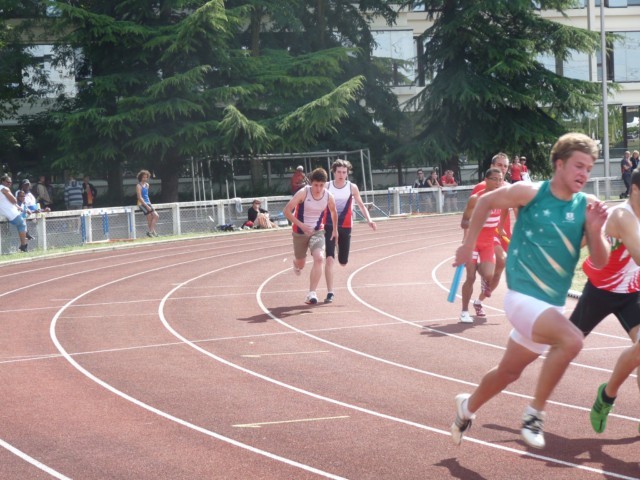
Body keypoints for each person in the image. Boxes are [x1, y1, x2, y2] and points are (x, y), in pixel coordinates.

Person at [451, 132, 609, 450]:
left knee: (508, 373)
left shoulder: (588, 207)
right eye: (579, 166)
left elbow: (601, 261)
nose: (584, 174)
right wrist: (468, 246)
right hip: (522, 297)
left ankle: (465, 408)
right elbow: (485, 201)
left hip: (551, 306)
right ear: (559, 164)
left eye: (589, 169)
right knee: (572, 340)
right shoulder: (530, 192)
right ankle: (534, 414)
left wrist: (594, 229)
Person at [569, 167, 640, 434]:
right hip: (600, 291)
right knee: (562, 349)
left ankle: (606, 398)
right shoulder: (623, 215)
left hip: (632, 294)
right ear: (634, 189)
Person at [458, 168, 508, 323]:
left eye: (500, 179)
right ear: (486, 180)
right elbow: (464, 221)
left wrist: (499, 227)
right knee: (470, 277)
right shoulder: (475, 199)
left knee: (489, 274)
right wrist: (473, 224)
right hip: (473, 241)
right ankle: (464, 311)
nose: (498, 182)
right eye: (494, 179)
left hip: (488, 242)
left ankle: (479, 270)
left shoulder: (503, 199)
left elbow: (505, 211)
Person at [323, 159, 376, 303]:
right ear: (334, 172)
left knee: (343, 262)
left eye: (344, 172)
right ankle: (330, 292)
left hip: (346, 226)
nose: (341, 175)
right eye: (339, 172)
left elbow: (361, 205)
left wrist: (369, 220)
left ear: (347, 173)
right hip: (329, 225)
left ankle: (341, 250)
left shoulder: (352, 187)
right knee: (329, 259)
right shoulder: (327, 186)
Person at [284, 167, 338, 305]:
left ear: (325, 184)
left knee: (319, 258)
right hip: (300, 232)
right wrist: (302, 225)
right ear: (311, 183)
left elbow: (333, 212)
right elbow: (287, 211)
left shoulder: (328, 196)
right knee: (301, 264)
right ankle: (296, 263)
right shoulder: (303, 193)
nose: (318, 188)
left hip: (317, 231)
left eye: (321, 185)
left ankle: (311, 293)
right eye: (315, 185)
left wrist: (335, 230)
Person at [467, 153, 511, 317]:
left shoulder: (508, 188)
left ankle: (479, 301)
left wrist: (502, 226)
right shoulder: (481, 187)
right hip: (486, 235)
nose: (503, 168)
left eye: (505, 166)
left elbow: (509, 208)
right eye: (499, 165)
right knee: (501, 260)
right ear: (492, 166)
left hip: (500, 234)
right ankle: (483, 272)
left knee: (500, 269)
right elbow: (471, 211)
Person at [0, 174, 29, 252]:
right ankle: (23, 245)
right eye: (7, 182)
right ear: (2, 181)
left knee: (21, 225)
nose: (9, 183)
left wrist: (17, 206)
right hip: (9, 212)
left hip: (5, 212)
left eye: (10, 182)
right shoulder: (4, 189)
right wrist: (15, 203)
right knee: (22, 224)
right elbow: (14, 200)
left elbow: (10, 202)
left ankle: (23, 244)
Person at [136, 169, 159, 237]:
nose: (145, 178)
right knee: (149, 217)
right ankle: (152, 233)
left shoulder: (147, 185)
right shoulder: (138, 186)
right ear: (140, 177)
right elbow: (139, 197)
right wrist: (146, 206)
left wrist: (150, 204)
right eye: (143, 177)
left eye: (146, 177)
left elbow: (147, 195)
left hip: (147, 202)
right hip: (141, 203)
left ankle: (151, 232)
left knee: (156, 216)